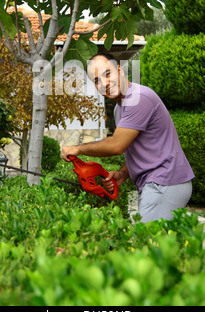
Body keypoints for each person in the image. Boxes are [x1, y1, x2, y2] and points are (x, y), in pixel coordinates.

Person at [61, 52, 195, 223]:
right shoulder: (120, 108)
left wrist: (77, 148)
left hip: (165, 182)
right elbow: (135, 146)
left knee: (145, 242)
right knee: (159, 246)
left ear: (120, 71)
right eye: (96, 80)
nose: (104, 83)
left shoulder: (138, 98)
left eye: (107, 74)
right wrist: (123, 174)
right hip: (157, 183)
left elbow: (116, 145)